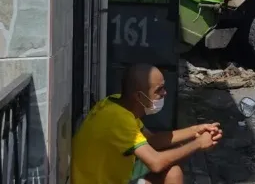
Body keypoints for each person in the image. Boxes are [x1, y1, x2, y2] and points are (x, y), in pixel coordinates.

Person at [71, 64, 223, 184]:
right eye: (159, 90)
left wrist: (195, 130)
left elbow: (152, 141)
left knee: (173, 161)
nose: (165, 93)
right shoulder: (118, 120)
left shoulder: (116, 102)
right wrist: (197, 144)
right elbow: (155, 163)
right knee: (171, 168)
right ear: (139, 96)